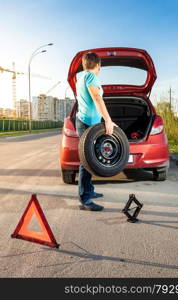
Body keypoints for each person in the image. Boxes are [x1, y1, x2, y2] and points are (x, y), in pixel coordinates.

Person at [75, 52, 117, 211]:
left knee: (89, 159)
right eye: (100, 66)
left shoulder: (81, 78)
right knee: (86, 161)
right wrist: (107, 119)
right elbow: (97, 98)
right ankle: (85, 199)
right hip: (87, 123)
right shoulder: (91, 77)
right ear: (98, 65)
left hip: (87, 122)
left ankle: (89, 191)